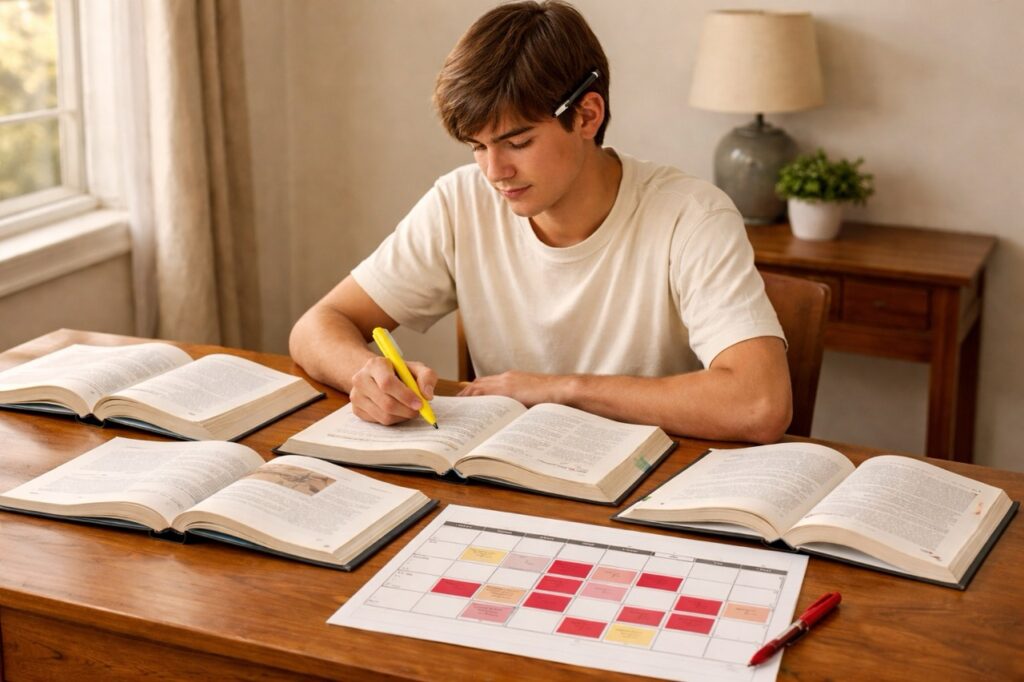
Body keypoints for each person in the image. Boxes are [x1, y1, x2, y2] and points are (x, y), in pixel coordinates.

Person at [289, 0, 792, 443]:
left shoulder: (691, 217)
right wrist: (367, 374)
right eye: (478, 147)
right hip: (508, 483)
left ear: (587, 116)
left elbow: (758, 404)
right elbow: (316, 327)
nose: (494, 171)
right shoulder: (459, 201)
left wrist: (560, 390)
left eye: (517, 142)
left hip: (650, 491)